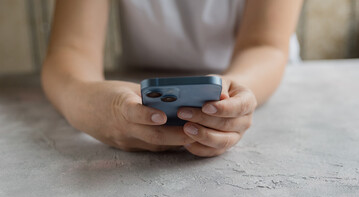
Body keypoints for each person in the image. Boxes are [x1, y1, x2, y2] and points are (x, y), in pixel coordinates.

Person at [41, 0, 303, 157]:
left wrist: (236, 96)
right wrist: (83, 100)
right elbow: (71, 49)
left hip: (257, 77)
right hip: (138, 81)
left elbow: (265, 45)